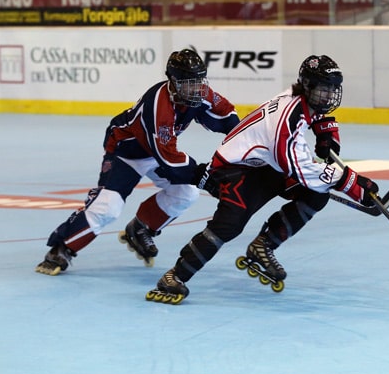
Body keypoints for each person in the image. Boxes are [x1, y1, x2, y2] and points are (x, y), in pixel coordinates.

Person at [145, 54, 379, 305]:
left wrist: (326, 132)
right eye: (324, 88)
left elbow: (315, 117)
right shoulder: (286, 120)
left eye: (333, 88)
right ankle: (174, 277)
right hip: (234, 169)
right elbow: (299, 168)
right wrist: (351, 183)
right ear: (308, 86)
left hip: (264, 165)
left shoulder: (300, 94)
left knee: (316, 193)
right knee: (229, 226)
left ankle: (263, 246)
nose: (329, 95)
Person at [35, 49, 239, 276]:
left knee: (186, 194)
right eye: (189, 83)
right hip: (125, 154)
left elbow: (227, 114)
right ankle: (61, 248)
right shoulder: (158, 106)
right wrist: (208, 179)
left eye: (199, 81)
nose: (196, 88)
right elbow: (170, 159)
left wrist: (243, 144)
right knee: (108, 207)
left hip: (154, 152)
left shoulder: (199, 93)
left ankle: (141, 228)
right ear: (173, 82)